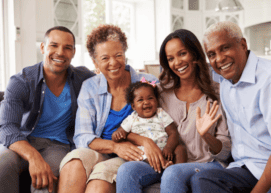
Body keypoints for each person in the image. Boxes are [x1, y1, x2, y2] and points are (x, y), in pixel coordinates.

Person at [116, 29, 231, 193]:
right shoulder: (160, 94)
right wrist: (144, 141)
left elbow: (225, 153)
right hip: (167, 162)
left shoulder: (217, 95)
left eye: (182, 53)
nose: (177, 62)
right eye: (171, 59)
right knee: (127, 170)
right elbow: (138, 124)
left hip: (206, 164)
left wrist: (206, 135)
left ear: (194, 54)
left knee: (173, 173)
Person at [191, 21, 271, 193]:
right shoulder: (226, 83)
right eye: (211, 54)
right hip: (249, 167)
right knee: (202, 180)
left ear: (242, 45)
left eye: (225, 48)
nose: (219, 59)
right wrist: (207, 136)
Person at [57, 24, 158, 193]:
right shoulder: (90, 87)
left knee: (98, 183)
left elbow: (164, 122)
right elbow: (83, 136)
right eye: (105, 58)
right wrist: (115, 146)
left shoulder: (148, 83)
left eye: (118, 55)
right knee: (74, 162)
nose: (113, 63)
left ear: (125, 53)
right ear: (95, 61)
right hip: (102, 150)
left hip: (136, 154)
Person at [0, 26, 95, 193]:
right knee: (2, 165)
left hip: (57, 145)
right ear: (43, 47)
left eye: (67, 48)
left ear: (73, 52)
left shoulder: (83, 78)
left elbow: (111, 80)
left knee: (45, 182)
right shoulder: (21, 81)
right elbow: (7, 127)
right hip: (22, 140)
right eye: (54, 45)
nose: (60, 52)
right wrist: (33, 157)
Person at [112, 80, 187, 166]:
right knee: (140, 153)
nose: (146, 102)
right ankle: (163, 164)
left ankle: (178, 170)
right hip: (146, 151)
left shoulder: (161, 113)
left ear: (156, 101)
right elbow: (118, 134)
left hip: (165, 149)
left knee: (180, 149)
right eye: (140, 100)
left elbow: (173, 133)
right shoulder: (132, 118)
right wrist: (117, 135)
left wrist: (169, 147)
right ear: (133, 106)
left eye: (150, 98)